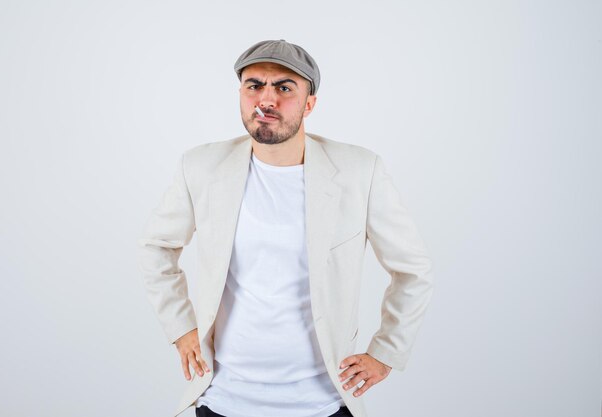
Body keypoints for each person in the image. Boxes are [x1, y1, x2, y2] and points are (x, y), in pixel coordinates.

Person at [138, 39, 434, 417]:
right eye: (254, 85)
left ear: (310, 103)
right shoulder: (201, 166)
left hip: (323, 403)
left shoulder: (360, 171)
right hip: (223, 399)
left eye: (284, 87)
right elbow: (156, 247)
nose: (266, 99)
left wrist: (386, 351)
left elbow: (413, 269)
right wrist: (181, 328)